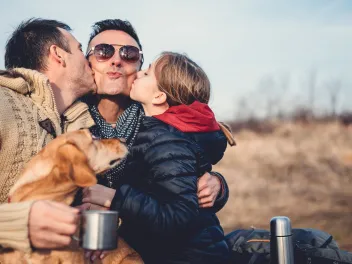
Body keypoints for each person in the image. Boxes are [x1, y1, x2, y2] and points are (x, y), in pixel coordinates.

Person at [80, 19, 231, 262]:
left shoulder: (162, 122)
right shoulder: (67, 117)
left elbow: (185, 175)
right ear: (87, 63)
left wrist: (218, 186)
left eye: (128, 54)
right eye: (103, 52)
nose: (116, 60)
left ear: (138, 65)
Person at [108, 51, 231, 264]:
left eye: (146, 73)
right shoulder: (167, 133)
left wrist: (114, 197)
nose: (138, 74)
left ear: (159, 97)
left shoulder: (164, 139)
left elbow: (178, 215)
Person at [0, 18, 96, 253]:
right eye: (81, 49)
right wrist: (16, 222)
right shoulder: (3, 103)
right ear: (58, 54)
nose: (90, 61)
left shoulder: (81, 128)